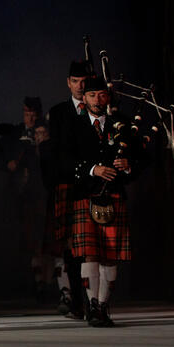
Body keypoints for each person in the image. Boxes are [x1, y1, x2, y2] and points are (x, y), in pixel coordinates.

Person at [61, 75, 142, 327]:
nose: (98, 100)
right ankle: (92, 304)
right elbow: (61, 161)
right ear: (83, 99)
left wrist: (128, 166)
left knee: (110, 256)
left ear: (109, 98)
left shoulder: (123, 124)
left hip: (114, 195)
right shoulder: (72, 126)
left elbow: (142, 158)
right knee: (90, 255)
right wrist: (92, 169)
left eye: (102, 95)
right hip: (85, 195)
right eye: (92, 95)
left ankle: (104, 306)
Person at [0, 96, 50, 301]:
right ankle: (29, 281)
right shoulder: (15, 134)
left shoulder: (46, 132)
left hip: (44, 191)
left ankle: (44, 283)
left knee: (44, 237)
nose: (30, 116)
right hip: (21, 194)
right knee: (25, 237)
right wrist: (8, 165)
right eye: (27, 112)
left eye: (34, 112)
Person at [46, 60, 95, 319]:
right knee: (71, 247)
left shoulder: (101, 109)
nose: (80, 86)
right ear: (68, 82)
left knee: (93, 247)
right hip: (69, 183)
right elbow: (58, 152)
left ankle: (94, 301)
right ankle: (77, 300)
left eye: (84, 81)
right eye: (75, 81)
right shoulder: (59, 112)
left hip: (94, 184)